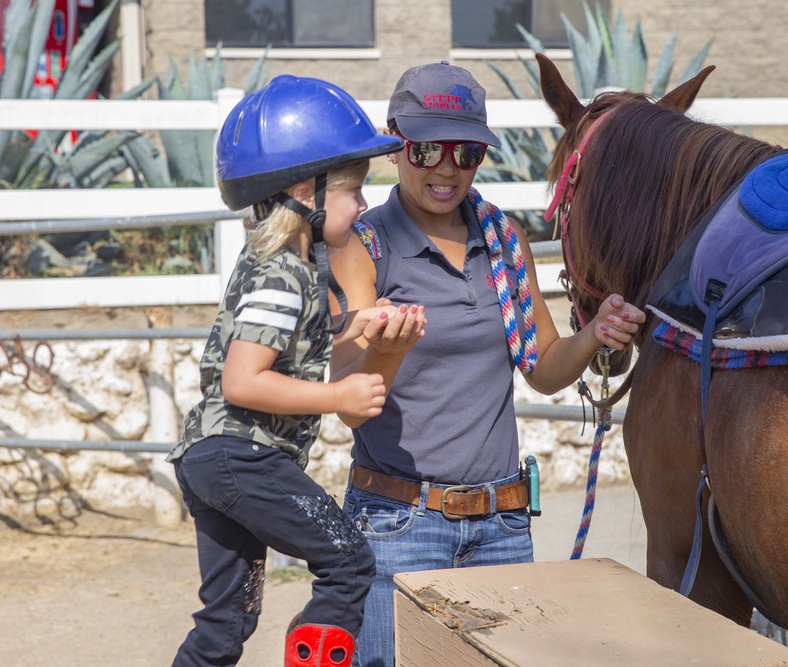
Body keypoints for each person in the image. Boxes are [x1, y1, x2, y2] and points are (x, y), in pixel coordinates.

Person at [328, 62, 647, 666]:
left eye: (466, 151)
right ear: (396, 146)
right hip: (398, 524)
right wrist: (388, 352)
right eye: (427, 148)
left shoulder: (504, 239)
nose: (447, 167)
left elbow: (544, 366)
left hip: (502, 525)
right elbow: (348, 399)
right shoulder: (364, 246)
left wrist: (594, 333)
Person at [167, 74, 425, 667]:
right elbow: (244, 381)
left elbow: (280, 340)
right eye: (354, 191)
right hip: (244, 457)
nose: (363, 206)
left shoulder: (278, 265)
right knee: (349, 561)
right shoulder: (284, 276)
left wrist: (354, 323)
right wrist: (338, 395)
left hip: (213, 456)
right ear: (306, 191)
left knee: (228, 619)